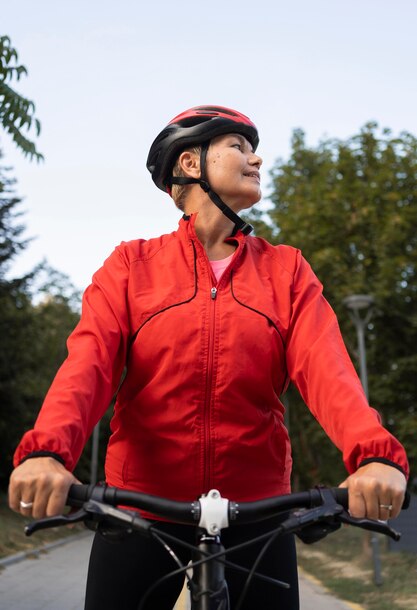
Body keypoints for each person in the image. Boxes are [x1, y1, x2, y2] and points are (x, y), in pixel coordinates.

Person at [9, 105, 408, 609]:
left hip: (257, 512)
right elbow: (88, 365)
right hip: (138, 510)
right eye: (238, 147)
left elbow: (328, 371)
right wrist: (48, 452)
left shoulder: (285, 270)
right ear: (192, 164)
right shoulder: (131, 265)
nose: (257, 158)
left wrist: (373, 455)